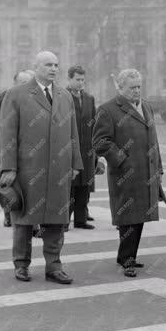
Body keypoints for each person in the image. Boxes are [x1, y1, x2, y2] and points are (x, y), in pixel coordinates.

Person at [0, 51, 83, 284]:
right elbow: (6, 134)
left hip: (58, 170)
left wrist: (76, 162)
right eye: (48, 65)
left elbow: (73, 132)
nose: (53, 69)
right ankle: (21, 265)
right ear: (36, 67)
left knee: (56, 220)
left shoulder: (65, 96)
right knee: (24, 219)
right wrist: (8, 167)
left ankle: (54, 267)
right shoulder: (16, 95)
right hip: (27, 169)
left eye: (56, 64)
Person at [92, 69, 165, 277]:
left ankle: (127, 255)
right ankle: (127, 259)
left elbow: (154, 140)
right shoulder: (108, 110)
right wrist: (122, 159)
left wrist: (158, 168)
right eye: (132, 87)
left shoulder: (147, 107)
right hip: (126, 174)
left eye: (139, 86)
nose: (137, 91)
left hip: (147, 172)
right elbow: (100, 142)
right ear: (120, 88)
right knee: (128, 216)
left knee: (140, 216)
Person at [0, 69, 35, 227]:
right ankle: (8, 213)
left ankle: (33, 222)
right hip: (10, 152)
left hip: (31, 153)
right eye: (22, 82)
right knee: (10, 187)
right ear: (15, 83)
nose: (26, 86)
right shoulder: (4, 99)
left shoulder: (38, 99)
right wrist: (0, 156)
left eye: (29, 82)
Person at [66, 65, 102, 231]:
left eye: (82, 80)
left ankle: (81, 219)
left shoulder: (89, 98)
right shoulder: (62, 97)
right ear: (69, 79)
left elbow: (94, 124)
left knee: (84, 187)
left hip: (87, 151)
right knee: (69, 188)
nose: (80, 83)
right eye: (77, 79)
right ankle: (64, 221)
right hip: (69, 150)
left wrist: (96, 152)